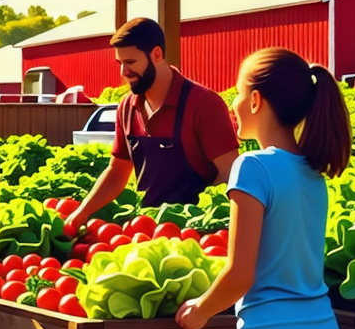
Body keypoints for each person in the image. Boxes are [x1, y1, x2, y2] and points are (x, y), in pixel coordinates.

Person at [174, 48, 352, 329]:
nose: (233, 104)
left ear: (255, 100)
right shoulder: (315, 173)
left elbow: (240, 274)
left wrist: (200, 310)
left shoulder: (252, 166)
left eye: (237, 93)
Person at [65, 18, 242, 234]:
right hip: (148, 231)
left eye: (130, 62)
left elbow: (230, 173)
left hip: (199, 235)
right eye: (120, 63)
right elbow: (117, 172)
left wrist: (201, 224)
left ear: (157, 55)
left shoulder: (203, 103)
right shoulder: (126, 107)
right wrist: (81, 213)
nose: (123, 72)